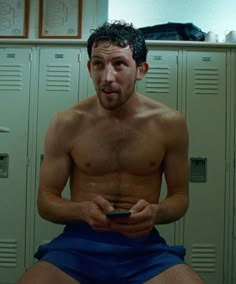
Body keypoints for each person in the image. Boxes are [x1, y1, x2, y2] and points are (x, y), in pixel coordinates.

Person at [17, 21, 204, 284]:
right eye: (98, 64)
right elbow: (46, 201)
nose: (107, 77)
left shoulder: (169, 124)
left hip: (143, 248)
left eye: (119, 64)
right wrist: (82, 211)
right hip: (78, 244)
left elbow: (179, 197)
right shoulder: (66, 123)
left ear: (141, 69)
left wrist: (155, 213)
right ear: (88, 67)